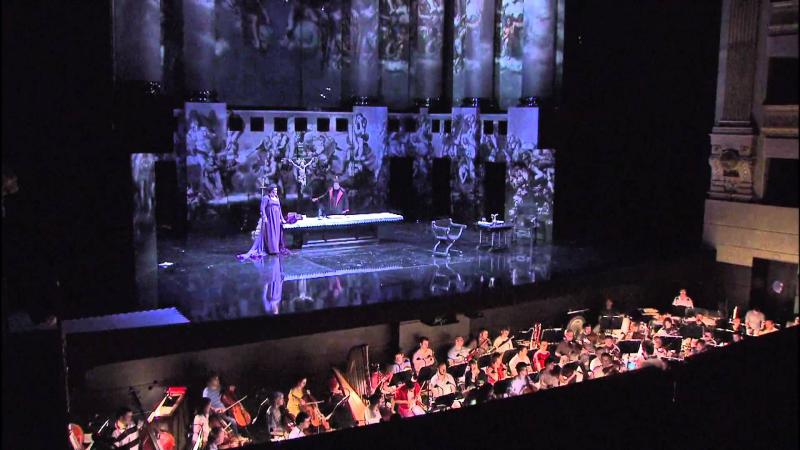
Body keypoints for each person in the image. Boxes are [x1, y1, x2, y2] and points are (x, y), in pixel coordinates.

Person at [238, 184, 289, 259]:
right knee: (271, 233)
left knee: (277, 233)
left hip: (276, 218)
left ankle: (276, 248)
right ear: (271, 191)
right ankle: (273, 250)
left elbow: (279, 209)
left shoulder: (277, 198)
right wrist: (264, 217)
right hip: (270, 218)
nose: (276, 192)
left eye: (276, 190)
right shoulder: (266, 198)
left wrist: (282, 219)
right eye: (274, 190)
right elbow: (262, 208)